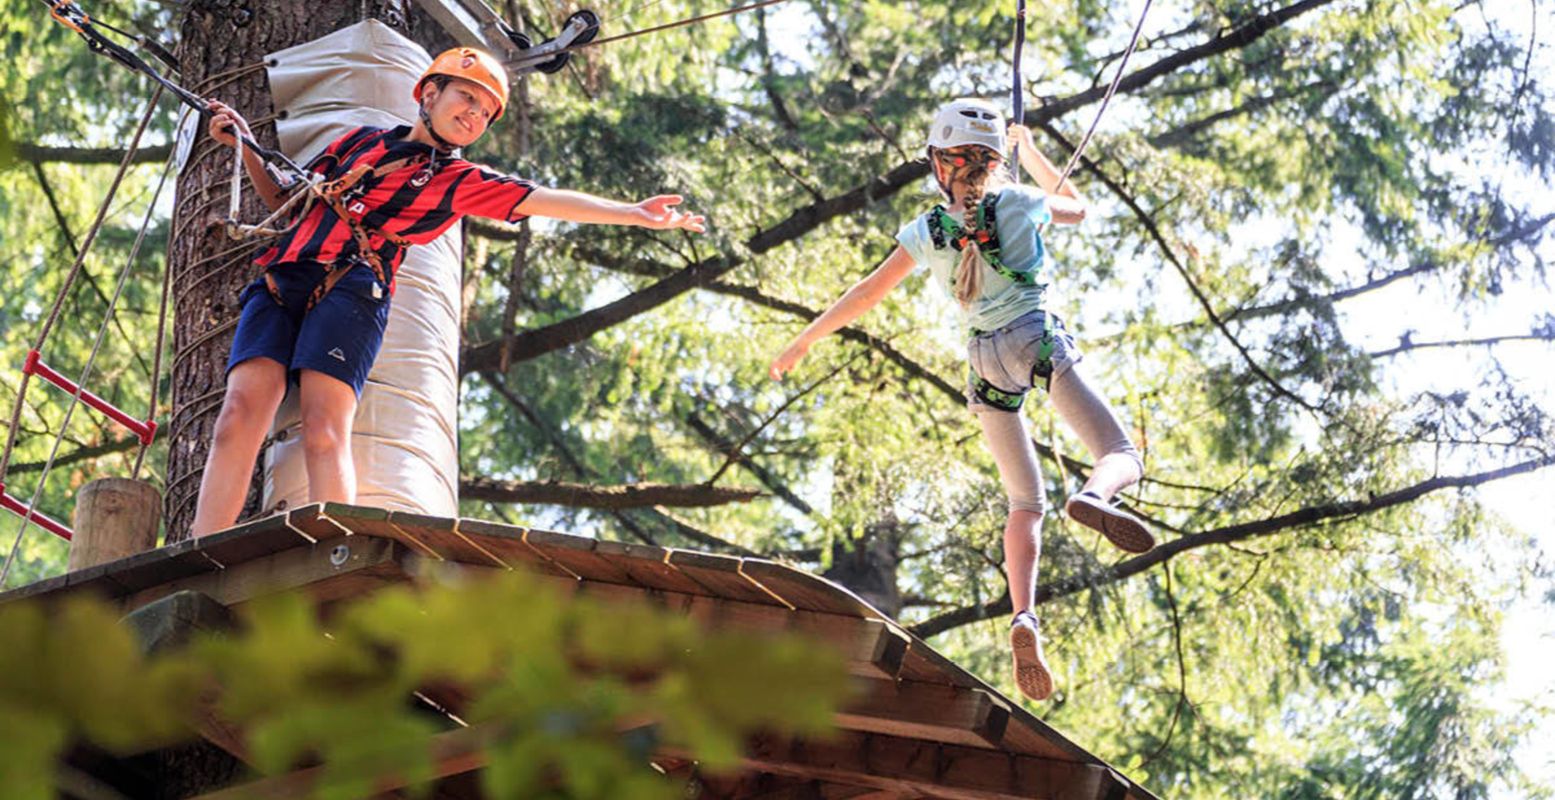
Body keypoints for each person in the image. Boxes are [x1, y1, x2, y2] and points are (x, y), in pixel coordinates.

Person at [191, 47, 705, 538]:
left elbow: (540, 199)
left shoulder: (456, 180)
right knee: (238, 416)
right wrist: (241, 144)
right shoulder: (358, 143)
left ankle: (334, 548)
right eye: (467, 98)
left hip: (351, 289)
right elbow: (285, 198)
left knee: (324, 428)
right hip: (284, 277)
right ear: (429, 93)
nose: (474, 116)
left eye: (485, 114)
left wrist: (630, 213)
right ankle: (199, 551)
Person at [768, 98, 1150, 701]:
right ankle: (1096, 495)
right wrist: (1032, 151)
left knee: (1025, 503)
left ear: (937, 164)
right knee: (1121, 453)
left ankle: (1023, 617)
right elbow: (1078, 208)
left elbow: (866, 293)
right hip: (1035, 336)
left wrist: (804, 340)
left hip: (984, 364)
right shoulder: (1020, 201)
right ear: (993, 161)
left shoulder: (926, 232)